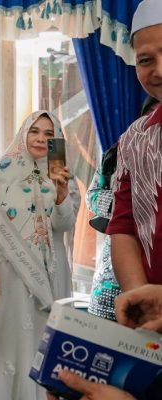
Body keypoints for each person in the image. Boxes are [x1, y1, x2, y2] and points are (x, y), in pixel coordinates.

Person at [0, 111, 78, 399]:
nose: (40, 138)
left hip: (48, 276)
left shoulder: (64, 175)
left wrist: (61, 193)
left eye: (48, 134)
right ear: (23, 133)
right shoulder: (1, 171)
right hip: (3, 275)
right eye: (34, 131)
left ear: (56, 140)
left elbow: (64, 225)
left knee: (38, 343)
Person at [87, 97, 158, 321]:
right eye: (150, 113)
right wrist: (121, 205)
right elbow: (92, 196)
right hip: (116, 260)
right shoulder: (119, 152)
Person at [108, 0, 162, 290]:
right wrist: (141, 297)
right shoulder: (135, 139)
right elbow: (124, 225)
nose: (159, 70)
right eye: (145, 60)